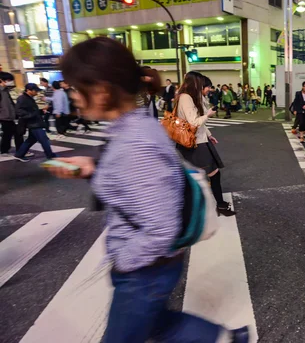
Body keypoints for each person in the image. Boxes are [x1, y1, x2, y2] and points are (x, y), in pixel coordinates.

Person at [45, 37, 248, 343]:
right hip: (148, 268)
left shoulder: (136, 142)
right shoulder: (131, 127)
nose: (71, 95)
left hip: (144, 271)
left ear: (100, 91)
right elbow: (137, 188)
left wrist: (124, 263)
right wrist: (92, 169)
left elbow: (160, 227)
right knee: (158, 326)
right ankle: (223, 339)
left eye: (75, 87)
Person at [175, 72, 235, 217]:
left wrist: (209, 135)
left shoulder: (191, 97)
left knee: (198, 175)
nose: (209, 89)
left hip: (200, 141)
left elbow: (196, 121)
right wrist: (207, 115)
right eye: (206, 86)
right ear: (197, 84)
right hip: (193, 143)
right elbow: (194, 122)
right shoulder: (185, 98)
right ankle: (218, 205)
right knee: (211, 174)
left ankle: (189, 206)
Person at [13, 83, 55, 162]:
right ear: (28, 90)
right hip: (33, 123)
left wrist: (41, 111)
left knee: (31, 140)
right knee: (44, 140)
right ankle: (51, 155)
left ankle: (19, 154)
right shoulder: (22, 98)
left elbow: (32, 111)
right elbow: (19, 111)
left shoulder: (29, 98)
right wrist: (33, 114)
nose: (37, 92)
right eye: (35, 91)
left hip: (35, 121)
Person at [0, 72, 24, 156]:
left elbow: (10, 103)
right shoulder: (1, 91)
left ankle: (6, 150)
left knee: (10, 133)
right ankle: (16, 150)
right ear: (1, 80)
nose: (10, 82)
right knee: (13, 133)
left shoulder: (6, 90)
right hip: (4, 117)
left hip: (10, 116)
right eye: (8, 80)